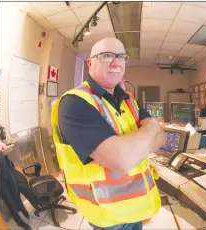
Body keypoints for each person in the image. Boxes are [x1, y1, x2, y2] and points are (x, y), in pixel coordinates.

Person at [51, 38, 166, 230]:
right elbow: (122, 160)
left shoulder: (128, 99)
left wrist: (135, 146)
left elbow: (162, 139)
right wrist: (152, 127)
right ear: (90, 63)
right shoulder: (75, 103)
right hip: (109, 217)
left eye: (121, 57)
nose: (116, 63)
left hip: (139, 207)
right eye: (107, 56)